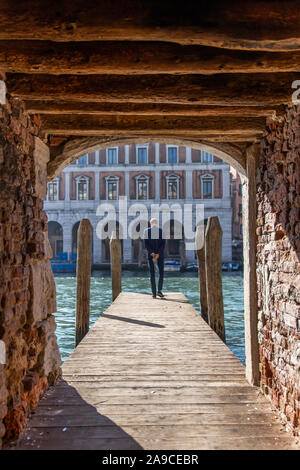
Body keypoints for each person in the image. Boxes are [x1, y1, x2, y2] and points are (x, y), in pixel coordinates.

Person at [143, 218, 166, 298]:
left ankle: (153, 293)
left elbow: (146, 244)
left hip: (150, 255)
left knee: (152, 274)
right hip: (160, 255)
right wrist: (158, 254)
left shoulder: (146, 231)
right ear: (157, 223)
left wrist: (153, 254)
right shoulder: (161, 231)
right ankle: (159, 291)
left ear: (150, 224)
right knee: (161, 273)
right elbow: (163, 244)